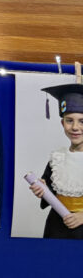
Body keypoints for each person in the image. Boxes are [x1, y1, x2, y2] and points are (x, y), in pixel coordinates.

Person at [29, 84, 83, 239]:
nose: (75, 127)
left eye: (82, 121)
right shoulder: (58, 158)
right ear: (62, 123)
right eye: (69, 120)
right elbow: (51, 190)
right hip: (57, 225)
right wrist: (42, 190)